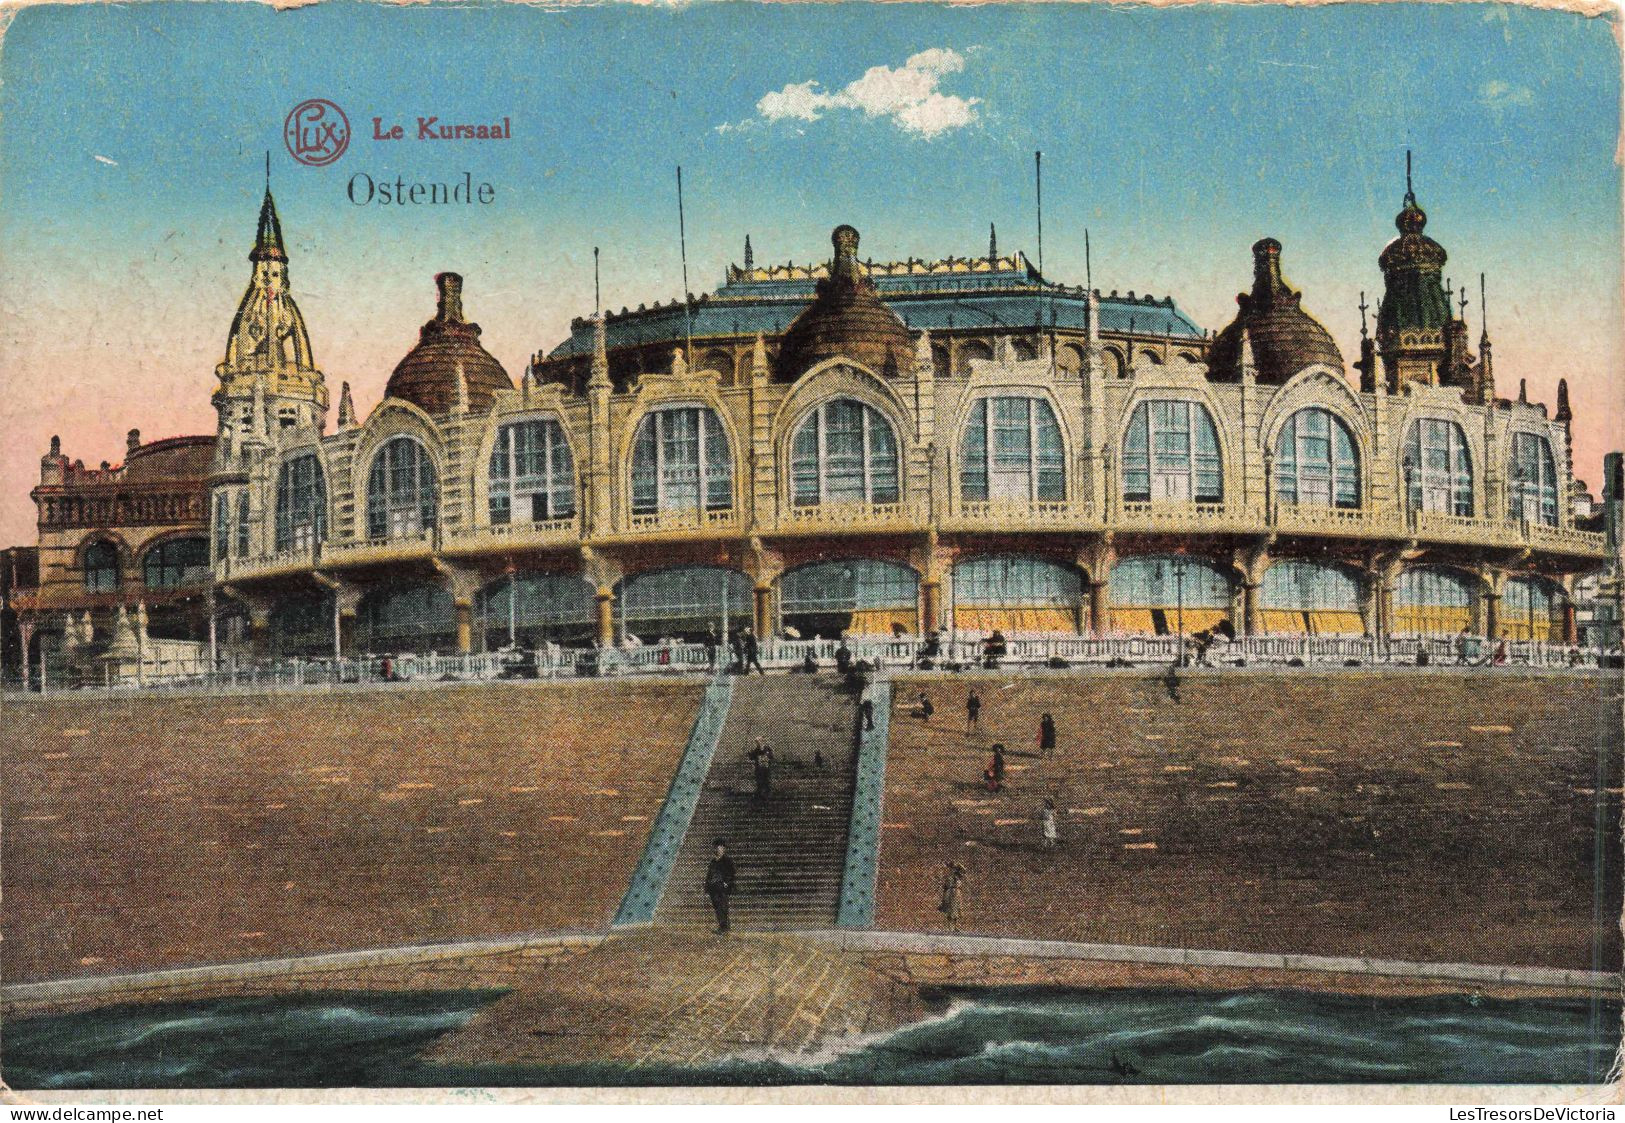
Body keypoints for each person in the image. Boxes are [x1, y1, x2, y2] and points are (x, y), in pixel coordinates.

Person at [705, 839, 736, 934]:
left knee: (723, 906)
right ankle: (722, 926)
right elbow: (709, 874)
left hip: (722, 887)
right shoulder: (713, 861)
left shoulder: (727, 860)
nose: (717, 849)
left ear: (723, 849)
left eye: (719, 847)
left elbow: (732, 873)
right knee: (717, 907)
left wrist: (727, 883)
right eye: (716, 847)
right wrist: (707, 887)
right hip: (713, 888)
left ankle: (724, 927)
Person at [938, 861, 965, 932]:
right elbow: (945, 887)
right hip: (950, 893)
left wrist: (959, 864)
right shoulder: (949, 876)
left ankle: (955, 926)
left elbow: (964, 870)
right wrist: (944, 897)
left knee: (957, 910)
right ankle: (949, 927)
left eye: (954, 868)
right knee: (950, 910)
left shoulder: (958, 875)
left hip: (957, 893)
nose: (953, 869)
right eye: (952, 868)